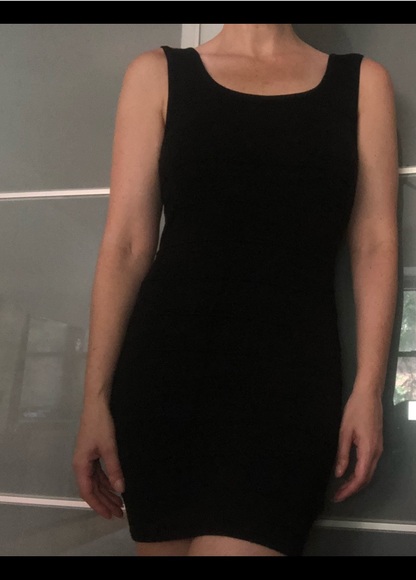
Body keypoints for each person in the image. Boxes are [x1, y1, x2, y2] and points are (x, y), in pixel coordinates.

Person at [72, 24, 399, 557]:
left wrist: (369, 390)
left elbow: (375, 244)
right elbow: (126, 246)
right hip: (164, 379)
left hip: (290, 388)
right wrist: (95, 400)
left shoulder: (363, 84)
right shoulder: (156, 75)